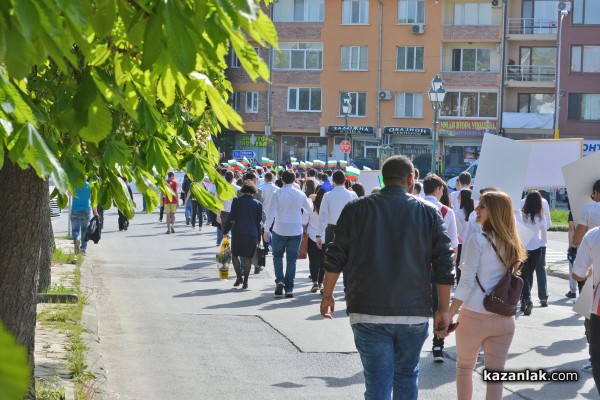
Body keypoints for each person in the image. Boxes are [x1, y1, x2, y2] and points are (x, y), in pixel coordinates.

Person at [320, 156, 454, 400]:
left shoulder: (356, 209)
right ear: (411, 179)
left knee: (378, 382)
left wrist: (327, 295)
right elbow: (444, 264)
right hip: (413, 312)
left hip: (367, 310)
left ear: (383, 178)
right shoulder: (429, 213)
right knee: (406, 375)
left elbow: (335, 255)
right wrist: (443, 310)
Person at [444, 190, 527, 400]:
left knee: (464, 369)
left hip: (474, 316)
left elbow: (466, 281)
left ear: (495, 212)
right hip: (505, 318)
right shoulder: (513, 243)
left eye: (482, 206)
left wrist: (450, 313)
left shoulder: (478, 240)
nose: (476, 209)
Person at [423, 173, 459, 363]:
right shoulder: (446, 211)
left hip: (417, 266)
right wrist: (452, 268)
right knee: (440, 307)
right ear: (438, 189)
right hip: (439, 267)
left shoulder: (415, 206)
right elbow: (453, 244)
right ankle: (438, 345)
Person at [264, 170, 313, 298]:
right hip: (296, 229)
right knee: (292, 260)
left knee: (277, 256)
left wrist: (266, 229)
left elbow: (271, 213)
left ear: (282, 180)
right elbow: (310, 210)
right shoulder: (300, 194)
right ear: (294, 179)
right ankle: (289, 288)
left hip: (279, 228)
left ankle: (280, 280)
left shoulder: (277, 193)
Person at [572, 179, 600, 374]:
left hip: (591, 271)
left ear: (596, 193)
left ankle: (594, 358)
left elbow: (577, 239)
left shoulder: (588, 210)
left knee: (591, 314)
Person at [317, 170, 358, 293]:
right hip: (348, 229)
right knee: (348, 259)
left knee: (330, 258)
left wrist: (319, 234)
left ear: (333, 181)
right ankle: (348, 288)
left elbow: (323, 216)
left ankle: (327, 287)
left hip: (332, 229)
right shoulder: (353, 195)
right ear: (345, 180)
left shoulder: (327, 195)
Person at [572, 226, 600, 394]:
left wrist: (589, 271)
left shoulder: (594, 234)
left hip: (599, 307)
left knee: (597, 357)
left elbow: (577, 273)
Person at [222, 180, 263, 289]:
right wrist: (259, 237)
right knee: (248, 257)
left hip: (238, 232)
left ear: (243, 190)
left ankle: (238, 277)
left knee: (235, 255)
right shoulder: (258, 204)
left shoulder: (237, 201)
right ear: (254, 191)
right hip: (252, 233)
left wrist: (225, 231)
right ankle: (246, 281)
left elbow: (231, 218)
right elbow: (258, 222)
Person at [516, 191, 547, 315]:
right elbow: (544, 234)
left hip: (523, 247)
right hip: (536, 248)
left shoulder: (521, 215)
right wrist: (541, 242)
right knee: (530, 274)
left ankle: (526, 300)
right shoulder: (540, 216)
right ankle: (525, 300)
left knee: (523, 275)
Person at [303, 187, 327, 293]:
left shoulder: (311, 206)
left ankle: (315, 282)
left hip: (312, 235)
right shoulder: (327, 207)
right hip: (326, 235)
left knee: (313, 260)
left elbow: (304, 221)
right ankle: (321, 282)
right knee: (323, 261)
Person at [70, 180, 99, 255]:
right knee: (85, 230)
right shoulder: (89, 185)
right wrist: (95, 212)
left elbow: (69, 194)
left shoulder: (74, 183)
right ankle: (83, 249)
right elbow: (93, 200)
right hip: (86, 210)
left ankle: (76, 239)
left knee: (75, 230)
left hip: (75, 210)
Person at [455, 189, 475, 284]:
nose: (457, 198)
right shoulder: (474, 213)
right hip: (471, 242)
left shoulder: (459, 213)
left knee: (459, 265)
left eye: (459, 196)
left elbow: (458, 229)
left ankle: (460, 284)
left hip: (460, 242)